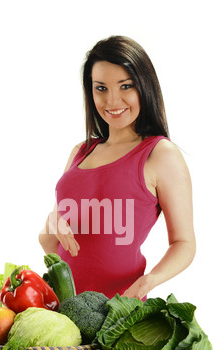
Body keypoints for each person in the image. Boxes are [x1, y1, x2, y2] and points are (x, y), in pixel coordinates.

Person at [39, 35, 196, 300]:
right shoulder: (80, 152)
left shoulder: (159, 154)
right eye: (101, 88)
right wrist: (52, 221)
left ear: (144, 86)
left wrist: (149, 281)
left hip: (120, 312)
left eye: (126, 86)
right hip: (60, 309)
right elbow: (50, 244)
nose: (113, 100)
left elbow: (185, 243)